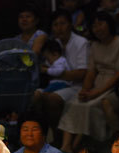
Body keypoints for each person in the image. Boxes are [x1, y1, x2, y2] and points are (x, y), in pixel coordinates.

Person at [58, 12, 119, 152]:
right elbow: (91, 72)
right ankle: (65, 146)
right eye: (94, 26)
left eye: (101, 24)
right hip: (97, 82)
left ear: (109, 24)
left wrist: (96, 93)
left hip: (113, 86)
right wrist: (85, 90)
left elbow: (118, 74)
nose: (98, 28)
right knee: (73, 103)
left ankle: (76, 146)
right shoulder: (94, 45)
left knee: (89, 106)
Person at [31, 9, 89, 138]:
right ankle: (41, 137)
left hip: (76, 86)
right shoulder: (53, 43)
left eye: (62, 23)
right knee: (35, 96)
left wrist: (55, 73)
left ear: (70, 24)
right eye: (55, 25)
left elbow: (81, 73)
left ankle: (57, 137)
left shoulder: (81, 42)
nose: (59, 28)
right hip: (57, 84)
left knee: (53, 98)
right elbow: (46, 67)